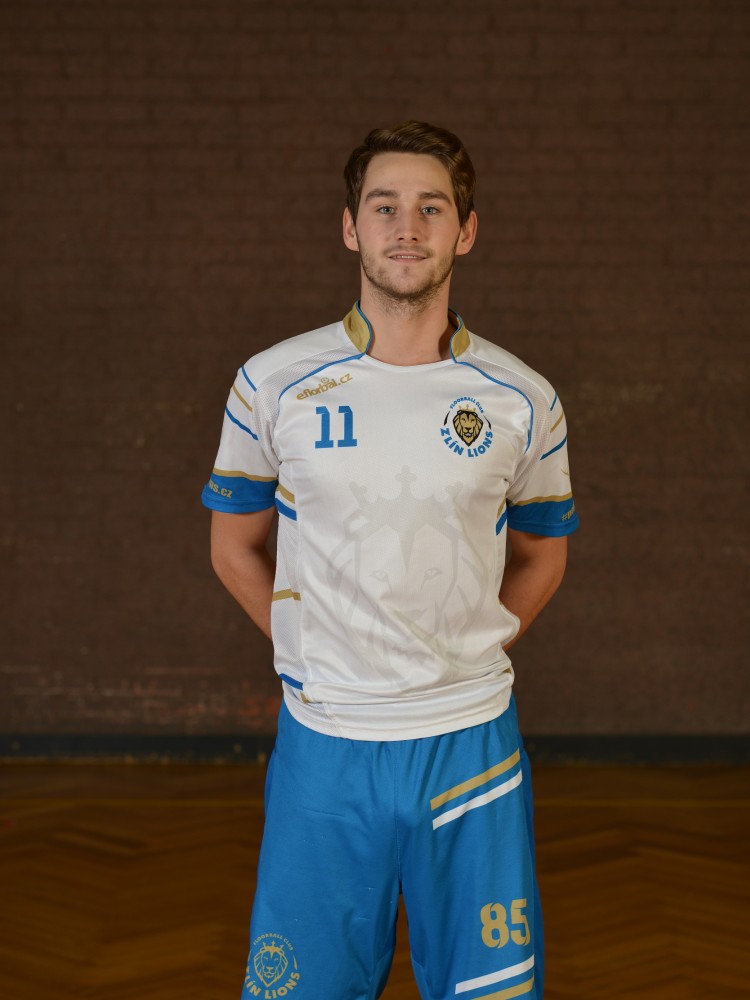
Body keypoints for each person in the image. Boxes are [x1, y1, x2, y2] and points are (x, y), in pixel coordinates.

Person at [202, 120, 579, 1000]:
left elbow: (543, 556)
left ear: (466, 231)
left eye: (431, 208)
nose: (406, 227)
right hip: (326, 743)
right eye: (384, 206)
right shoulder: (272, 383)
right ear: (350, 226)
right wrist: (313, 645)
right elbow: (233, 546)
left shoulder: (523, 398)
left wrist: (459, 648)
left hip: (470, 743)